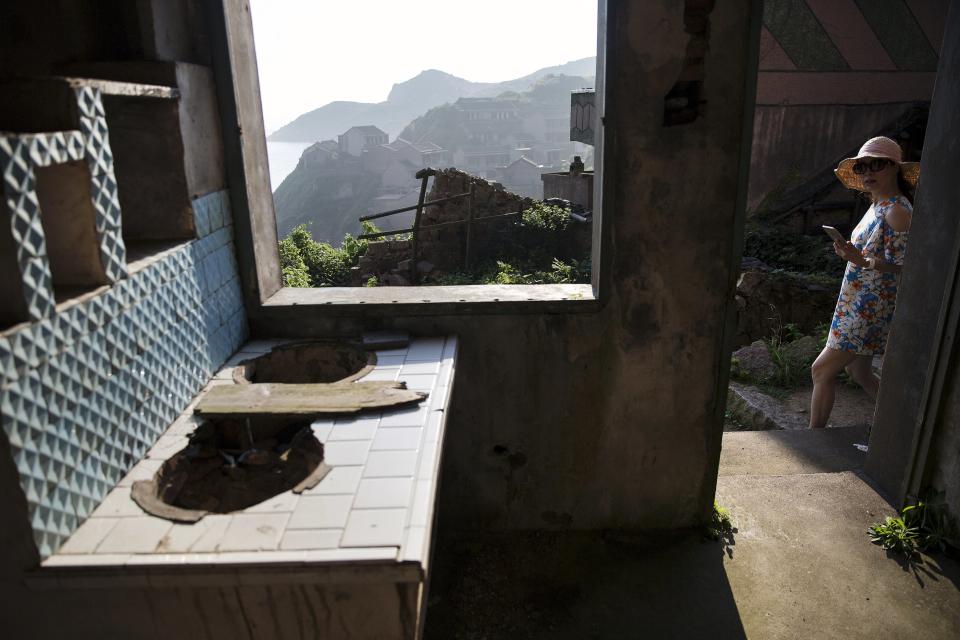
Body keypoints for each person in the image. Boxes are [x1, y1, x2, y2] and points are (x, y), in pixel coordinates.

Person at [809, 136, 920, 429]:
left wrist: (863, 262)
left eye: (877, 165)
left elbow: (911, 268)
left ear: (895, 167)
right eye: (862, 167)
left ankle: (813, 436)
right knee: (860, 373)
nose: (868, 172)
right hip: (856, 302)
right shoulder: (878, 205)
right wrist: (849, 253)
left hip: (869, 309)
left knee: (821, 370)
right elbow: (866, 255)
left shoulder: (898, 211)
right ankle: (904, 424)